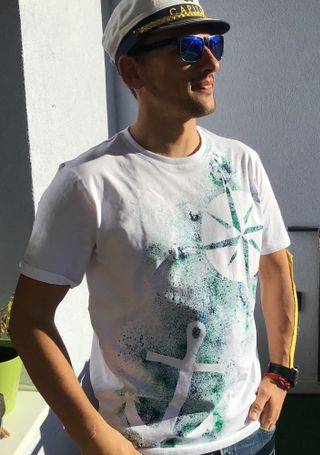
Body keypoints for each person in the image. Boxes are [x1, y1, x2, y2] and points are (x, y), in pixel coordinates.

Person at [9, 1, 299, 454]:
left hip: (250, 434)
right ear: (132, 71)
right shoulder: (88, 183)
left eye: (214, 44)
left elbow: (275, 267)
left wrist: (280, 373)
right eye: (189, 48)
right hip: (142, 445)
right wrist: (93, 436)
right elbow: (29, 321)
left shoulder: (242, 163)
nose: (211, 62)